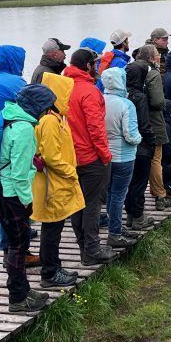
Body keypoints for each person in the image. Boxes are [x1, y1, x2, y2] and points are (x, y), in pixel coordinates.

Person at [0, 83, 56, 313]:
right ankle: (18, 298)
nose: (48, 112)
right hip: (11, 194)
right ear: (37, 107)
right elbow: (18, 174)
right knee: (18, 244)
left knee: (13, 242)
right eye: (46, 107)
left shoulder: (8, 116)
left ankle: (24, 290)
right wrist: (27, 201)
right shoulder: (24, 129)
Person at [0, 45, 39, 266]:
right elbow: (30, 105)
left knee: (1, 194)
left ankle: (6, 242)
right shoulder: (15, 83)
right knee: (16, 195)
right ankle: (17, 249)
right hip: (14, 136)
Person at [63, 49, 117, 265]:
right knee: (92, 204)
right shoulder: (89, 91)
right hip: (90, 157)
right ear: (86, 66)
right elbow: (96, 128)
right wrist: (105, 155)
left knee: (76, 203)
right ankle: (93, 250)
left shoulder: (62, 87)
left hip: (69, 157)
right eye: (94, 64)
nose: (97, 67)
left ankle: (84, 248)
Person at [31, 73, 84, 289]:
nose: (69, 97)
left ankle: (54, 267)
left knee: (54, 228)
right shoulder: (50, 121)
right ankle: (49, 273)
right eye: (66, 93)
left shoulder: (56, 117)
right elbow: (51, 157)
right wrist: (70, 172)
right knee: (52, 230)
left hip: (57, 182)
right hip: (54, 184)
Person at [102, 67, 143, 247]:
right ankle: (115, 232)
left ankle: (114, 225)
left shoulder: (99, 101)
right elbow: (130, 135)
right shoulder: (126, 104)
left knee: (111, 193)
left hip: (105, 155)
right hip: (124, 156)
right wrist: (140, 139)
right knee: (119, 195)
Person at [134, 44, 170, 209]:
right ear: (151, 57)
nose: (159, 57)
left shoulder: (132, 70)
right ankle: (159, 193)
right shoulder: (152, 73)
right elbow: (157, 101)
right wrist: (165, 104)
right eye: (157, 54)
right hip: (152, 120)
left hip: (135, 119)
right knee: (156, 158)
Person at [124, 59, 157, 228]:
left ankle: (130, 215)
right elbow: (144, 124)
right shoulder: (140, 97)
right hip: (141, 146)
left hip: (125, 147)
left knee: (130, 183)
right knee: (140, 183)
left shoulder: (122, 94)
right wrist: (152, 141)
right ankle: (138, 217)